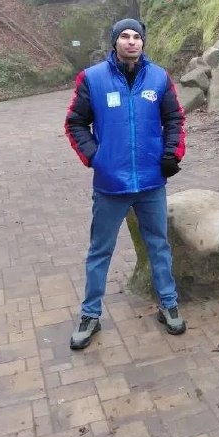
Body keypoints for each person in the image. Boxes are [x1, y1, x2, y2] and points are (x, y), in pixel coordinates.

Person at [65, 18, 186, 350]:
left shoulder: (159, 78)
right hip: (110, 185)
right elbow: (75, 122)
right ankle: (90, 315)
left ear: (143, 42)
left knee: (158, 245)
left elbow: (174, 119)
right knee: (100, 250)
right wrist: (96, 157)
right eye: (124, 36)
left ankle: (168, 303)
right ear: (115, 42)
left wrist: (171, 153)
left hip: (151, 183)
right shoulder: (93, 79)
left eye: (136, 36)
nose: (131, 41)